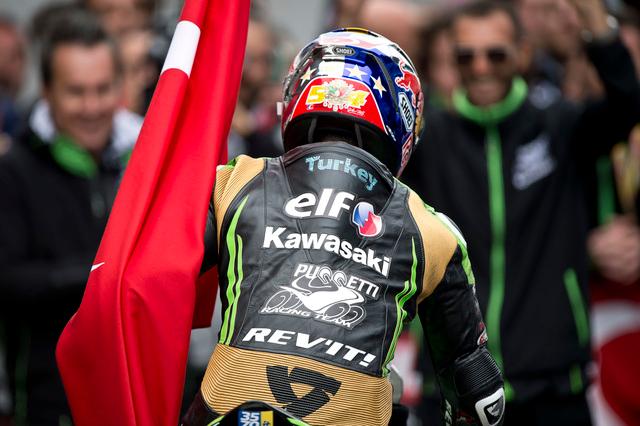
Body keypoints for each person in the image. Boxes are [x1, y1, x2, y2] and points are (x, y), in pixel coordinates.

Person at [181, 28, 505, 426]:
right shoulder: (433, 230)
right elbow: (481, 395)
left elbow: (151, 280)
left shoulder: (233, 181)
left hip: (229, 413)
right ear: (403, 116)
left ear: (297, 93)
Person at [402, 1, 640, 424]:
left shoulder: (560, 125)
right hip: (454, 387)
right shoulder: (429, 140)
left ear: (523, 53)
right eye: (466, 56)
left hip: (553, 384)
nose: (481, 67)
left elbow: (626, 101)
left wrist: (593, 17)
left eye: (496, 54)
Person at [0, 8, 141, 424]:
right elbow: (8, 281)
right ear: (46, 91)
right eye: (76, 92)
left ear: (120, 86)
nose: (92, 106)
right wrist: (101, 274)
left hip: (135, 394)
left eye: (102, 89)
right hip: (49, 401)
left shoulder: (144, 163)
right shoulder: (14, 171)